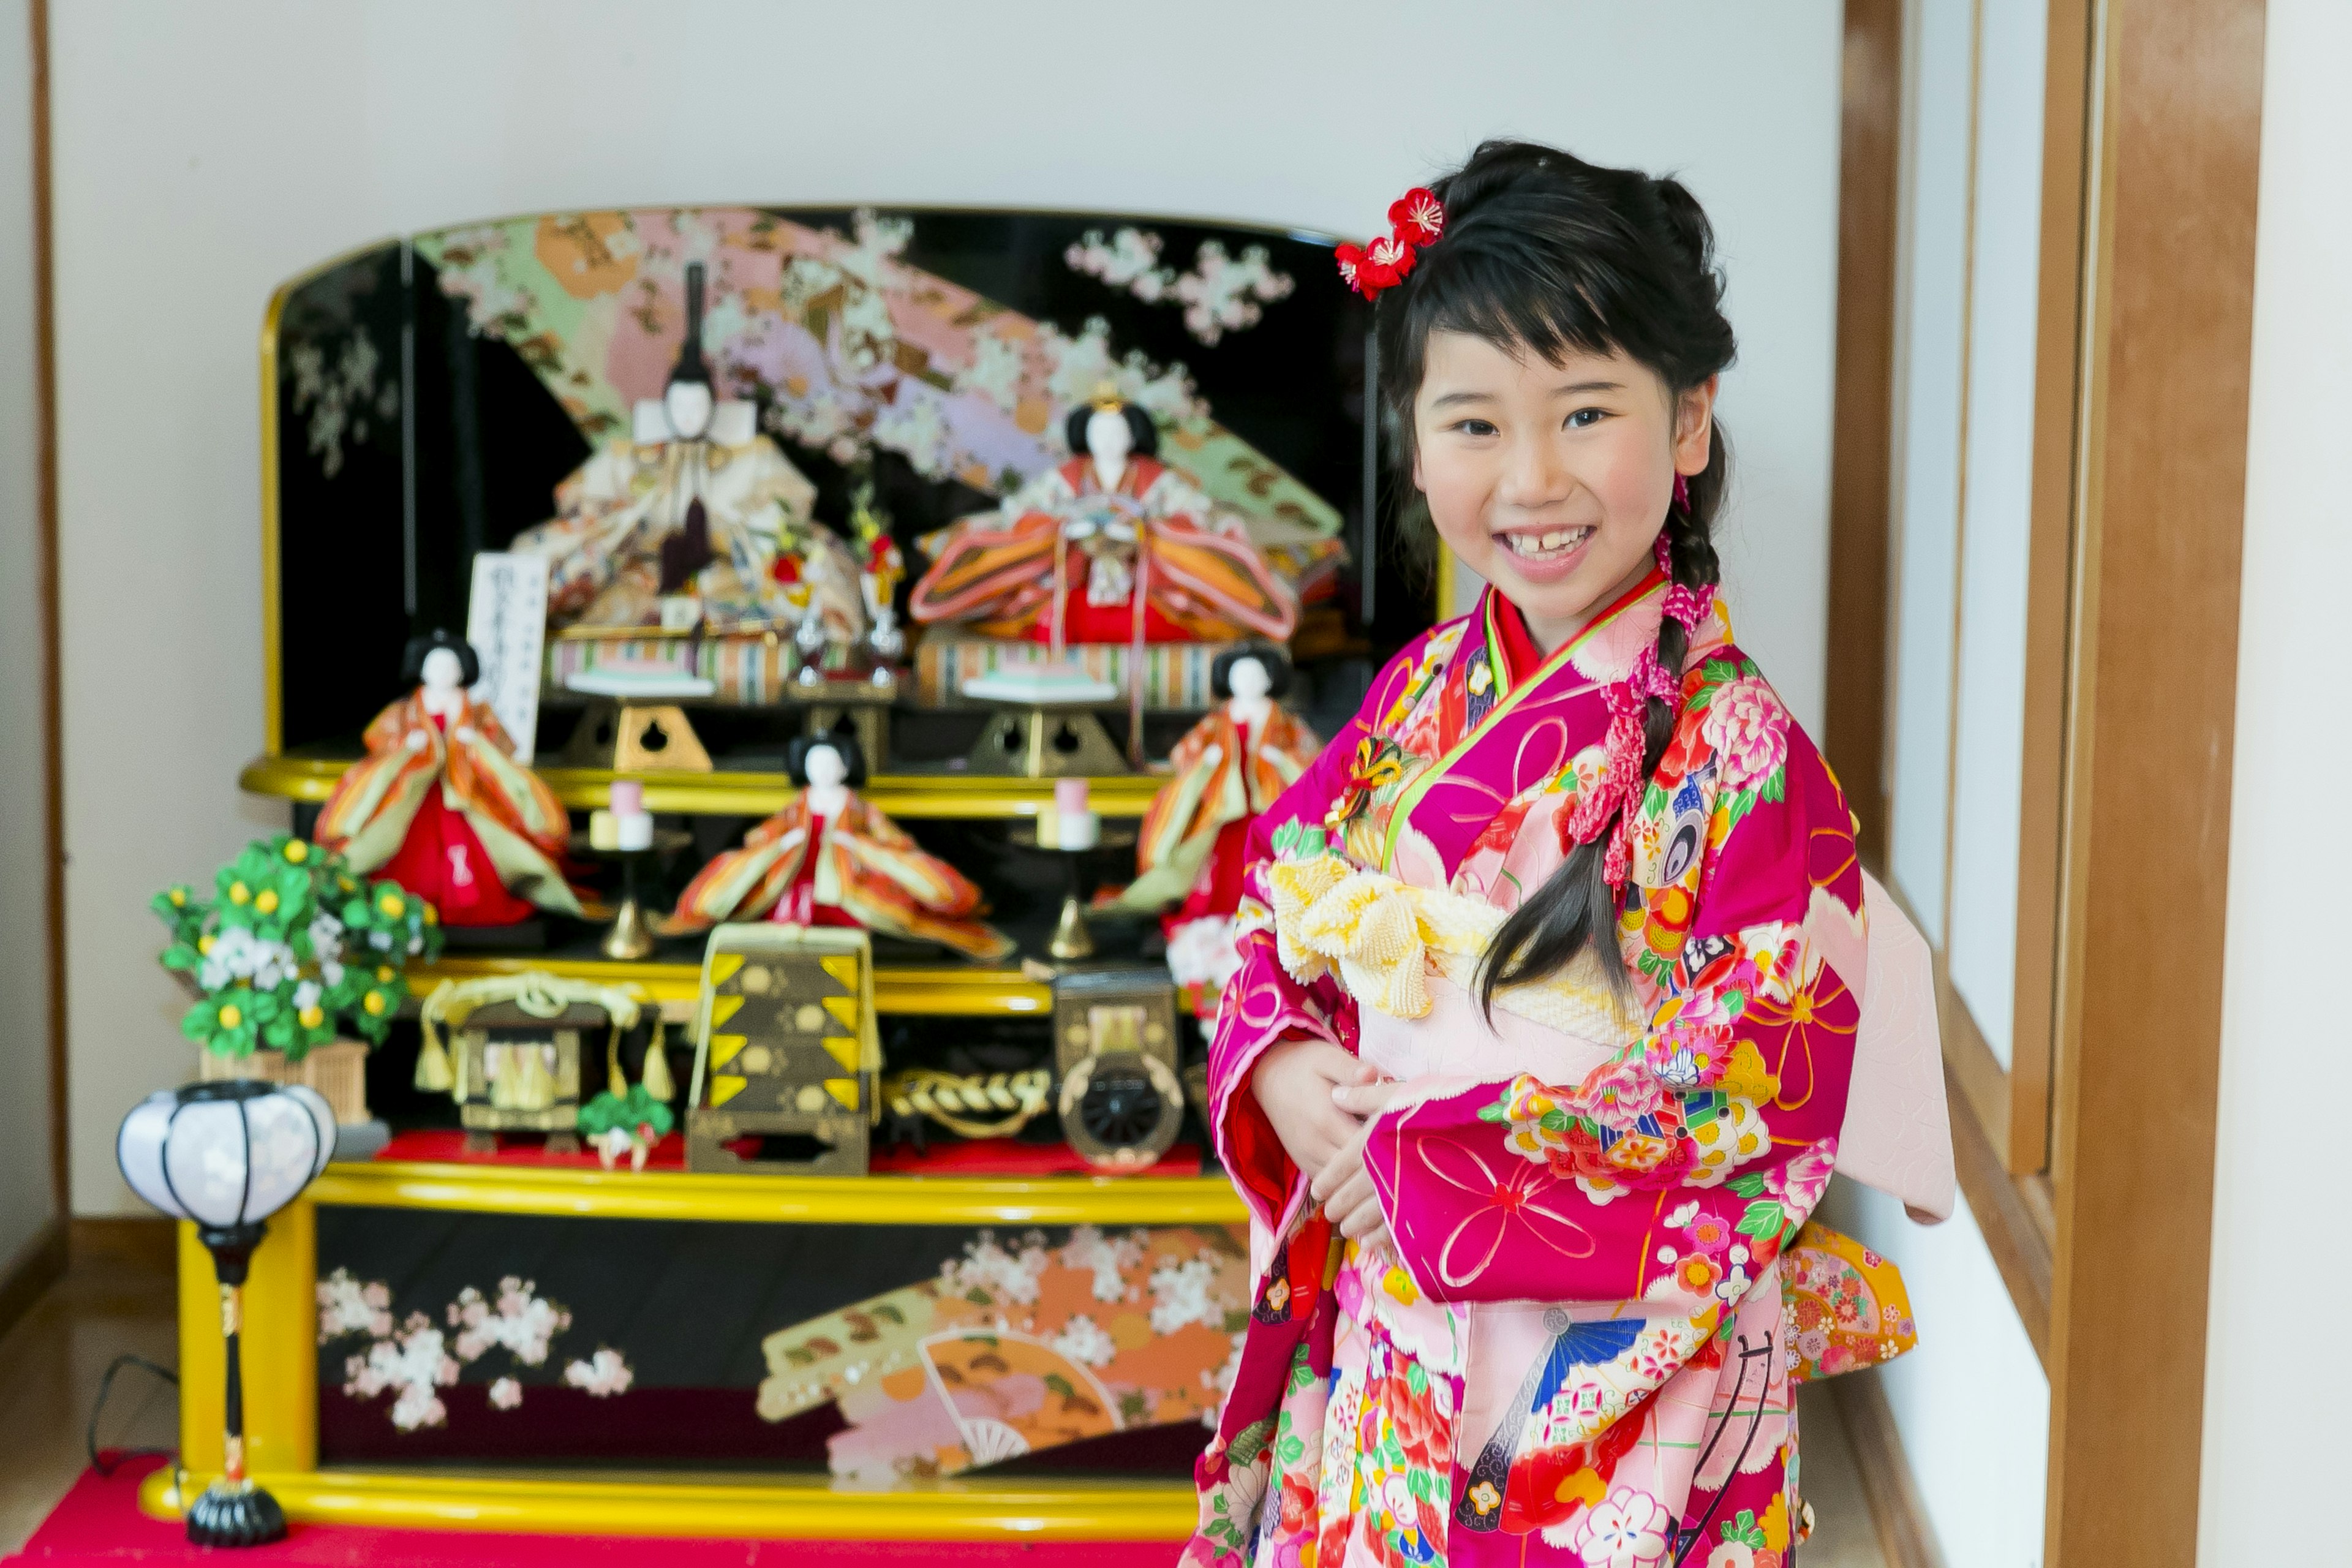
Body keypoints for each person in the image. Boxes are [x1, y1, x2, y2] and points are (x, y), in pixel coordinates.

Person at [1184, 143, 1943, 1568]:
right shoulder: (1416, 690)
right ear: (1412, 443)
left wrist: (1420, 1164)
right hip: (1399, 1348)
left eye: (1583, 410)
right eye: (1472, 422)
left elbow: (1748, 1102)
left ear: (1690, 420)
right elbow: (1273, 897)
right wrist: (1282, 1063)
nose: (1528, 478)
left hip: (1620, 1382)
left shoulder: (1742, 754)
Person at [663, 735, 1014, 962]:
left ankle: (839, 918)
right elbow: (768, 831)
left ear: (845, 767)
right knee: (774, 888)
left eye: (831, 764)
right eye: (816, 764)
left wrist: (861, 845)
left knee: (872, 901)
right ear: (805, 768)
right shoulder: (800, 803)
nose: (823, 770)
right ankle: (794, 919)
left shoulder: (856, 805)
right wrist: (783, 842)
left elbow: (891, 838)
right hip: (799, 863)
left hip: (847, 871)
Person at [313, 631, 581, 925]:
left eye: (451, 666)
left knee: (476, 850)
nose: (443, 672)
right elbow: (379, 740)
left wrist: (475, 741)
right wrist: (407, 746)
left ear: (463, 670)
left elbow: (501, 744)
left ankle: (471, 901)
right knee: (407, 852)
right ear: (422, 668)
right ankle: (405, 904)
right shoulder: (406, 710)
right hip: (417, 792)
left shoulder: (476, 710)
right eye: (435, 665)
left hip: (462, 790)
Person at [1122, 647, 1320, 1022]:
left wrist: (1282, 760)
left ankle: (1268, 917)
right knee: (1220, 870)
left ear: (1270, 680)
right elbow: (1185, 754)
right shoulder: (1218, 721)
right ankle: (1220, 917)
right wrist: (1207, 761)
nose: (1248, 682)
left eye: (1256, 675)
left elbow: (1312, 758)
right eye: (1240, 676)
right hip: (1226, 809)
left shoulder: (1285, 722)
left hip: (1268, 810)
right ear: (1227, 681)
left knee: (1270, 865)